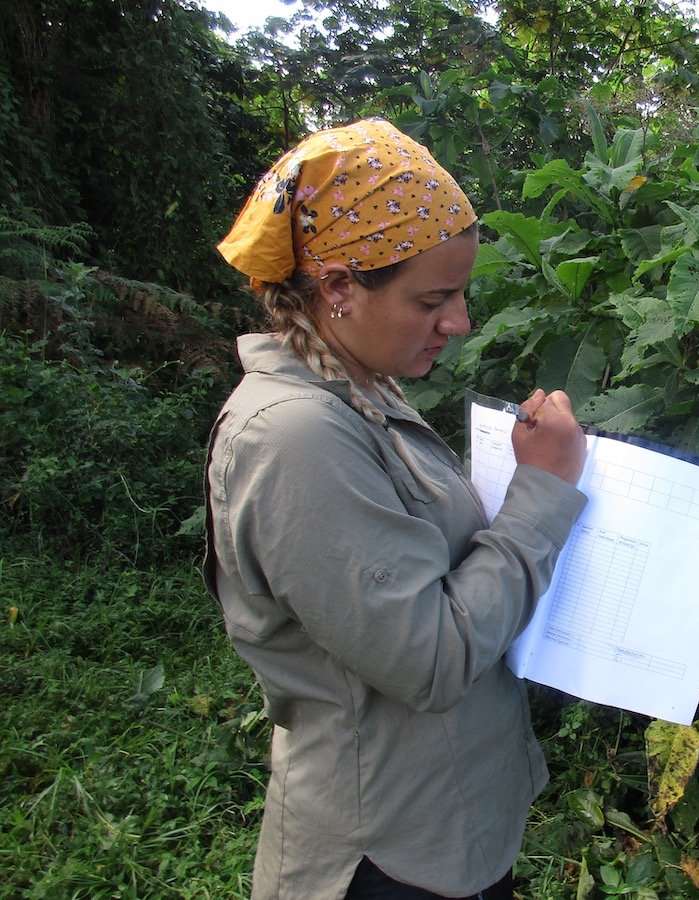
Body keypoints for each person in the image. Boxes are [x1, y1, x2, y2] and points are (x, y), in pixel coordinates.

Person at [203, 118, 588, 899]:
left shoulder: (361, 391)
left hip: (445, 831)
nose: (460, 322)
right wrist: (542, 492)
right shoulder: (296, 436)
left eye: (462, 293)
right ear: (340, 287)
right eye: (434, 299)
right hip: (385, 861)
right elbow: (431, 656)